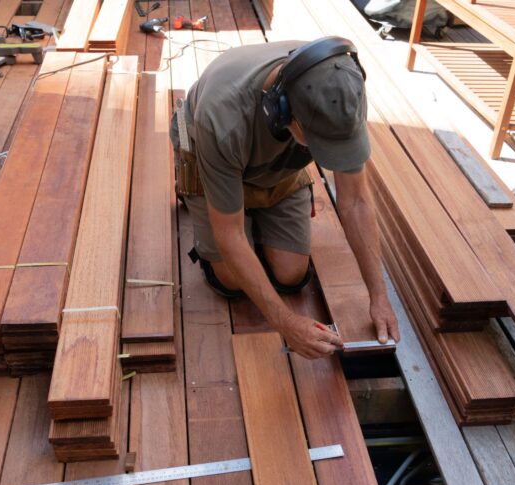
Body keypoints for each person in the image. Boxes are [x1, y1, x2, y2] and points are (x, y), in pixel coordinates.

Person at [171, 36, 399, 359]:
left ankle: (254, 213)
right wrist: (287, 323)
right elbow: (229, 234)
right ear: (282, 113)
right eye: (321, 147)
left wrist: (379, 295)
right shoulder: (221, 118)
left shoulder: (341, 92)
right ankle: (207, 199)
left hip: (274, 168)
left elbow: (356, 201)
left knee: (291, 274)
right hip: (211, 153)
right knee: (232, 282)